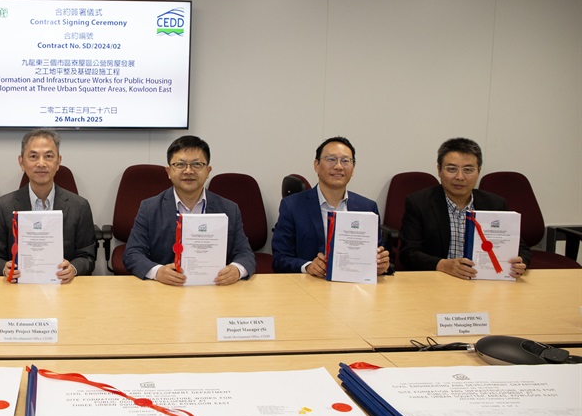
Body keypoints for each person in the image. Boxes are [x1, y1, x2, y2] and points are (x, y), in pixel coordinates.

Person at [123, 135, 255, 285]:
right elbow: (132, 254)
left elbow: (245, 253)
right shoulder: (150, 208)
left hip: (214, 287)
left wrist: (237, 270)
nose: (188, 171)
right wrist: (157, 272)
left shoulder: (229, 209)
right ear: (168, 171)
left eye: (197, 164)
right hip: (166, 289)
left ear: (208, 171)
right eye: (180, 165)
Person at [399, 137, 530, 278]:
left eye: (468, 170)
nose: (460, 177)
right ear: (439, 170)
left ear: (478, 171)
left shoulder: (495, 204)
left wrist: (520, 262)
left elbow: (522, 249)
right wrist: (442, 265)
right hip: (437, 280)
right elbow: (408, 253)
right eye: (452, 169)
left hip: (484, 280)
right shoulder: (419, 203)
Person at [0, 129, 96, 283]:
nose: (41, 163)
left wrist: (74, 269)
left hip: (64, 287)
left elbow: (88, 256)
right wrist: (5, 269)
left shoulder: (80, 206)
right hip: (18, 287)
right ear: (21, 162)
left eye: (48, 156)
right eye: (33, 156)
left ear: (58, 162)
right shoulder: (3, 206)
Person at [272, 136, 390, 276]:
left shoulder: (368, 207)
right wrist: (308, 266)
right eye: (331, 159)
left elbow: (378, 255)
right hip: (310, 284)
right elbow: (279, 259)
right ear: (316, 165)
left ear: (353, 168)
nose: (338, 166)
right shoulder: (292, 206)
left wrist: (382, 266)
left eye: (345, 161)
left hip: (354, 285)